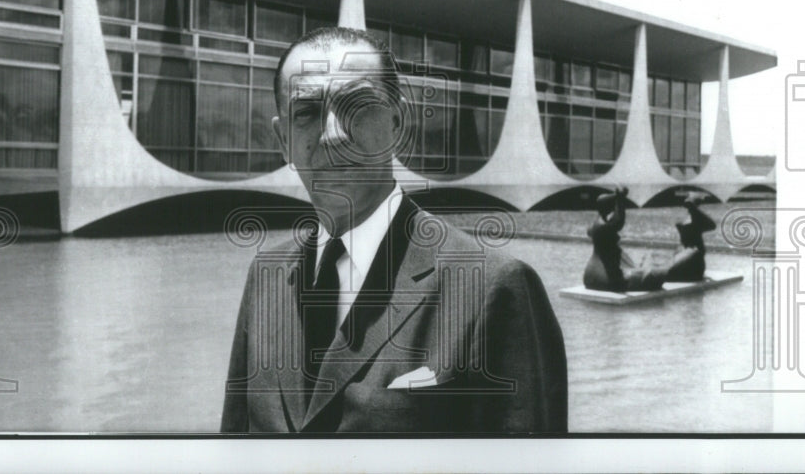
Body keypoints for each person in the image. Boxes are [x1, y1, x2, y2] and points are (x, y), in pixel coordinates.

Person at [221, 27, 567, 433]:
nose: (332, 134)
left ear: (397, 123)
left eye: (357, 106)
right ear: (284, 141)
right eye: (307, 113)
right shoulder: (266, 276)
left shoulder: (493, 287)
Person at [582, 187, 666, 292]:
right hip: (607, 278)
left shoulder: (595, 225)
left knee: (643, 272)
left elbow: (608, 224)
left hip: (592, 274)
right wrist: (620, 199)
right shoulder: (603, 226)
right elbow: (619, 221)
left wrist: (617, 197)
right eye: (612, 207)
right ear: (609, 208)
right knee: (655, 276)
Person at [665, 193, 716, 283]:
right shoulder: (687, 218)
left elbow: (712, 225)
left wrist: (695, 210)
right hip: (686, 250)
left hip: (693, 253)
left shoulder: (695, 218)